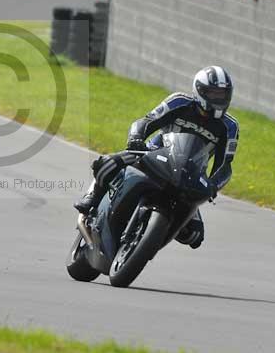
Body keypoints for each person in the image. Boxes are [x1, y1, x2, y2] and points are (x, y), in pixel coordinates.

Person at [74, 66, 239, 249]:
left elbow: (225, 165)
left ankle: (148, 238)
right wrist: (136, 138)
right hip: (154, 154)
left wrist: (213, 185)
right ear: (200, 90)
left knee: (195, 235)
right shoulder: (179, 101)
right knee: (106, 164)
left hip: (189, 175)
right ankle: (93, 198)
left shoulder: (230, 126)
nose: (218, 98)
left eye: (222, 94)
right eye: (213, 93)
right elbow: (146, 121)